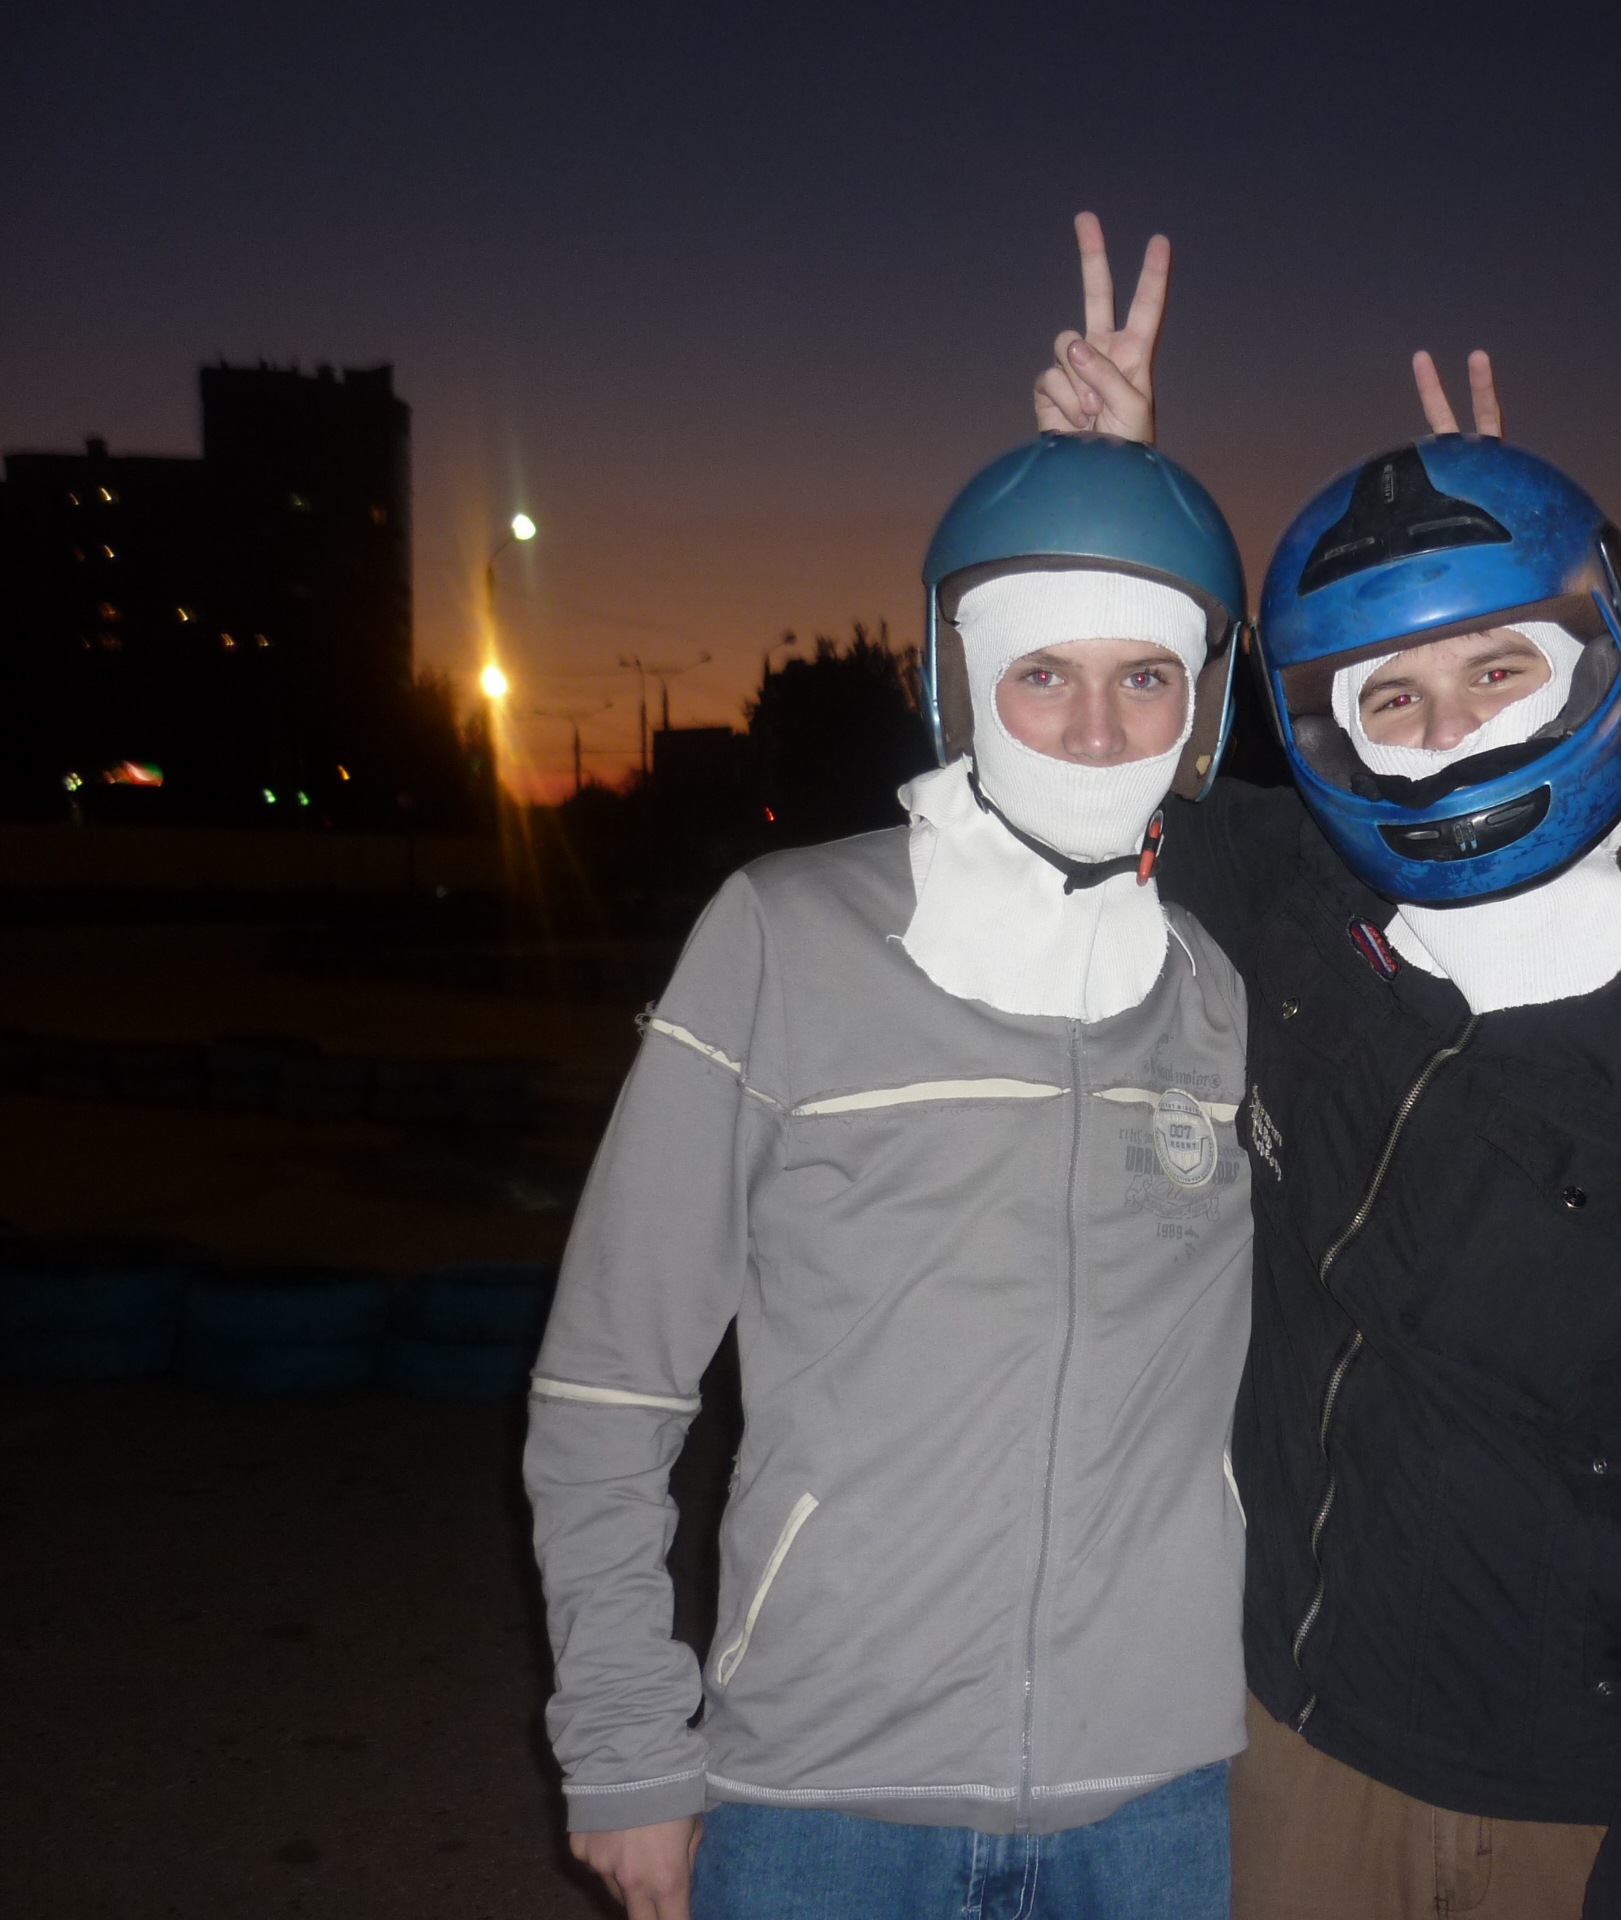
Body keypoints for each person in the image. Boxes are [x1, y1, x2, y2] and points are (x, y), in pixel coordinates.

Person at [1035, 217, 1621, 1919]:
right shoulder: (1306, 915)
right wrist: (1121, 517)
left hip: (1560, 1816)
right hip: (1279, 1744)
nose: (1453, 736)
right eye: (1395, 698)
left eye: (1499, 667)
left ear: (1599, 649)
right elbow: (1103, 775)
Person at [525, 270, 1260, 1920]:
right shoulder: (783, 934)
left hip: (1155, 1803)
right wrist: (627, 1745)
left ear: (1202, 701)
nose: (1095, 728)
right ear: (957, 677)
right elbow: (610, 1380)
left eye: (1145, 675)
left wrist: (1136, 504)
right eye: (1041, 671)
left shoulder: (1223, 985)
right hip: (822, 1797)